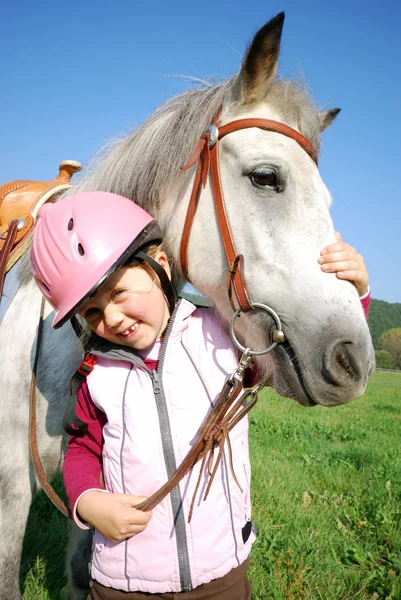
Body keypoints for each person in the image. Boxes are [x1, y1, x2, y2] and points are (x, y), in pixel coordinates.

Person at [30, 191, 370, 600]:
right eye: (93, 313)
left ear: (158, 265)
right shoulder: (95, 373)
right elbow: (83, 447)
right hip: (123, 581)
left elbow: (303, 358)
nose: (112, 319)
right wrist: (88, 501)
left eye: (118, 294)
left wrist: (355, 294)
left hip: (220, 575)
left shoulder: (224, 337)